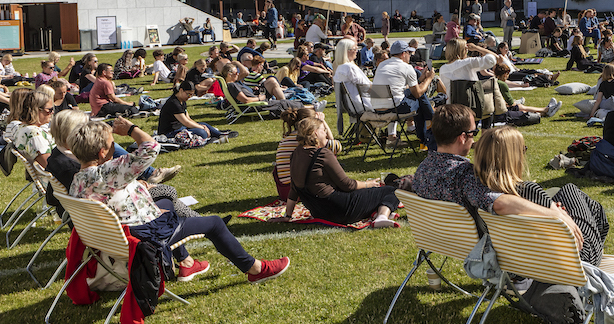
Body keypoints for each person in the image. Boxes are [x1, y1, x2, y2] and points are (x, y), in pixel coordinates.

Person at [69, 118, 290, 284]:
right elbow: (151, 148)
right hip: (142, 235)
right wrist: (131, 129)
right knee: (214, 223)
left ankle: (187, 263)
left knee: (166, 201)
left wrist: (137, 185)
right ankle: (255, 269)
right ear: (102, 152)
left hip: (116, 236)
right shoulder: (108, 172)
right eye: (112, 143)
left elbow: (110, 192)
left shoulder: (77, 181)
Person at [412, 104, 584, 249]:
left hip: (440, 239)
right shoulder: (464, 175)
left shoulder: (423, 169)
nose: (474, 139)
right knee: (572, 194)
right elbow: (499, 203)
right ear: (463, 137)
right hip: (482, 246)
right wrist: (555, 214)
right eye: (474, 133)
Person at [474, 124, 611, 266]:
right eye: (522, 150)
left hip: (518, 259)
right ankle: (598, 254)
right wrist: (559, 214)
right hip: (577, 258)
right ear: (512, 157)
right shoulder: (528, 190)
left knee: (567, 195)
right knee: (573, 192)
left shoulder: (479, 194)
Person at [288, 117, 400, 228]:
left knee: (368, 195)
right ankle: (381, 217)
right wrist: (367, 184)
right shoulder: (323, 154)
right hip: (340, 210)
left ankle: (375, 212)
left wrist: (288, 215)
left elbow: (294, 189)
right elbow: (347, 185)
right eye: (324, 130)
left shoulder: (295, 154)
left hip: (318, 212)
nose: (326, 135)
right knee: (392, 191)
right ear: (315, 133)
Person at [374, 41, 436, 148]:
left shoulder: (382, 65)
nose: (410, 56)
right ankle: (430, 126)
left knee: (417, 97)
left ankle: (428, 127)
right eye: (409, 53)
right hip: (395, 107)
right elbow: (417, 93)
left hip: (377, 106)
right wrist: (429, 79)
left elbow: (401, 87)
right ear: (403, 54)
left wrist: (420, 80)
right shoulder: (407, 67)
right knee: (420, 99)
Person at [158, 80, 224, 143]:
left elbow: (188, 119)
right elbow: (186, 122)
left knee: (203, 124)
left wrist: (202, 126)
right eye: (188, 94)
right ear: (181, 90)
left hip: (180, 128)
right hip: (169, 133)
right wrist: (202, 128)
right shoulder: (173, 103)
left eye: (191, 95)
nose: (189, 97)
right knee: (202, 132)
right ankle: (213, 135)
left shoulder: (182, 101)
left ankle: (220, 134)